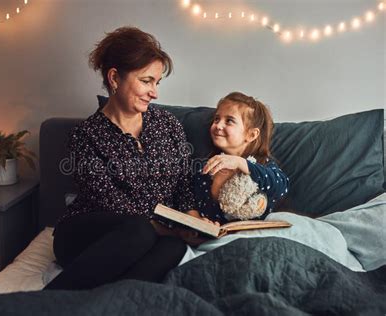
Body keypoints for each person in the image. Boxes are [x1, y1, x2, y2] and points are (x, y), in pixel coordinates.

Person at [44, 26, 195, 291]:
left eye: (157, 83)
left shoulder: (167, 124)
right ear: (114, 78)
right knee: (140, 229)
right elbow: (114, 205)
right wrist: (169, 227)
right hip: (89, 234)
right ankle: (48, 301)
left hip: (154, 233)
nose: (155, 92)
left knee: (174, 247)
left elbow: (183, 182)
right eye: (146, 81)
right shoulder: (87, 136)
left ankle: (106, 302)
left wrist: (192, 219)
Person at [187, 92, 289, 225]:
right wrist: (202, 221)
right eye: (216, 119)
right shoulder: (208, 166)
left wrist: (240, 163)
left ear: (251, 134)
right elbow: (193, 198)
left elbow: (282, 185)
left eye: (229, 121)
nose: (218, 125)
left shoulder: (262, 164)